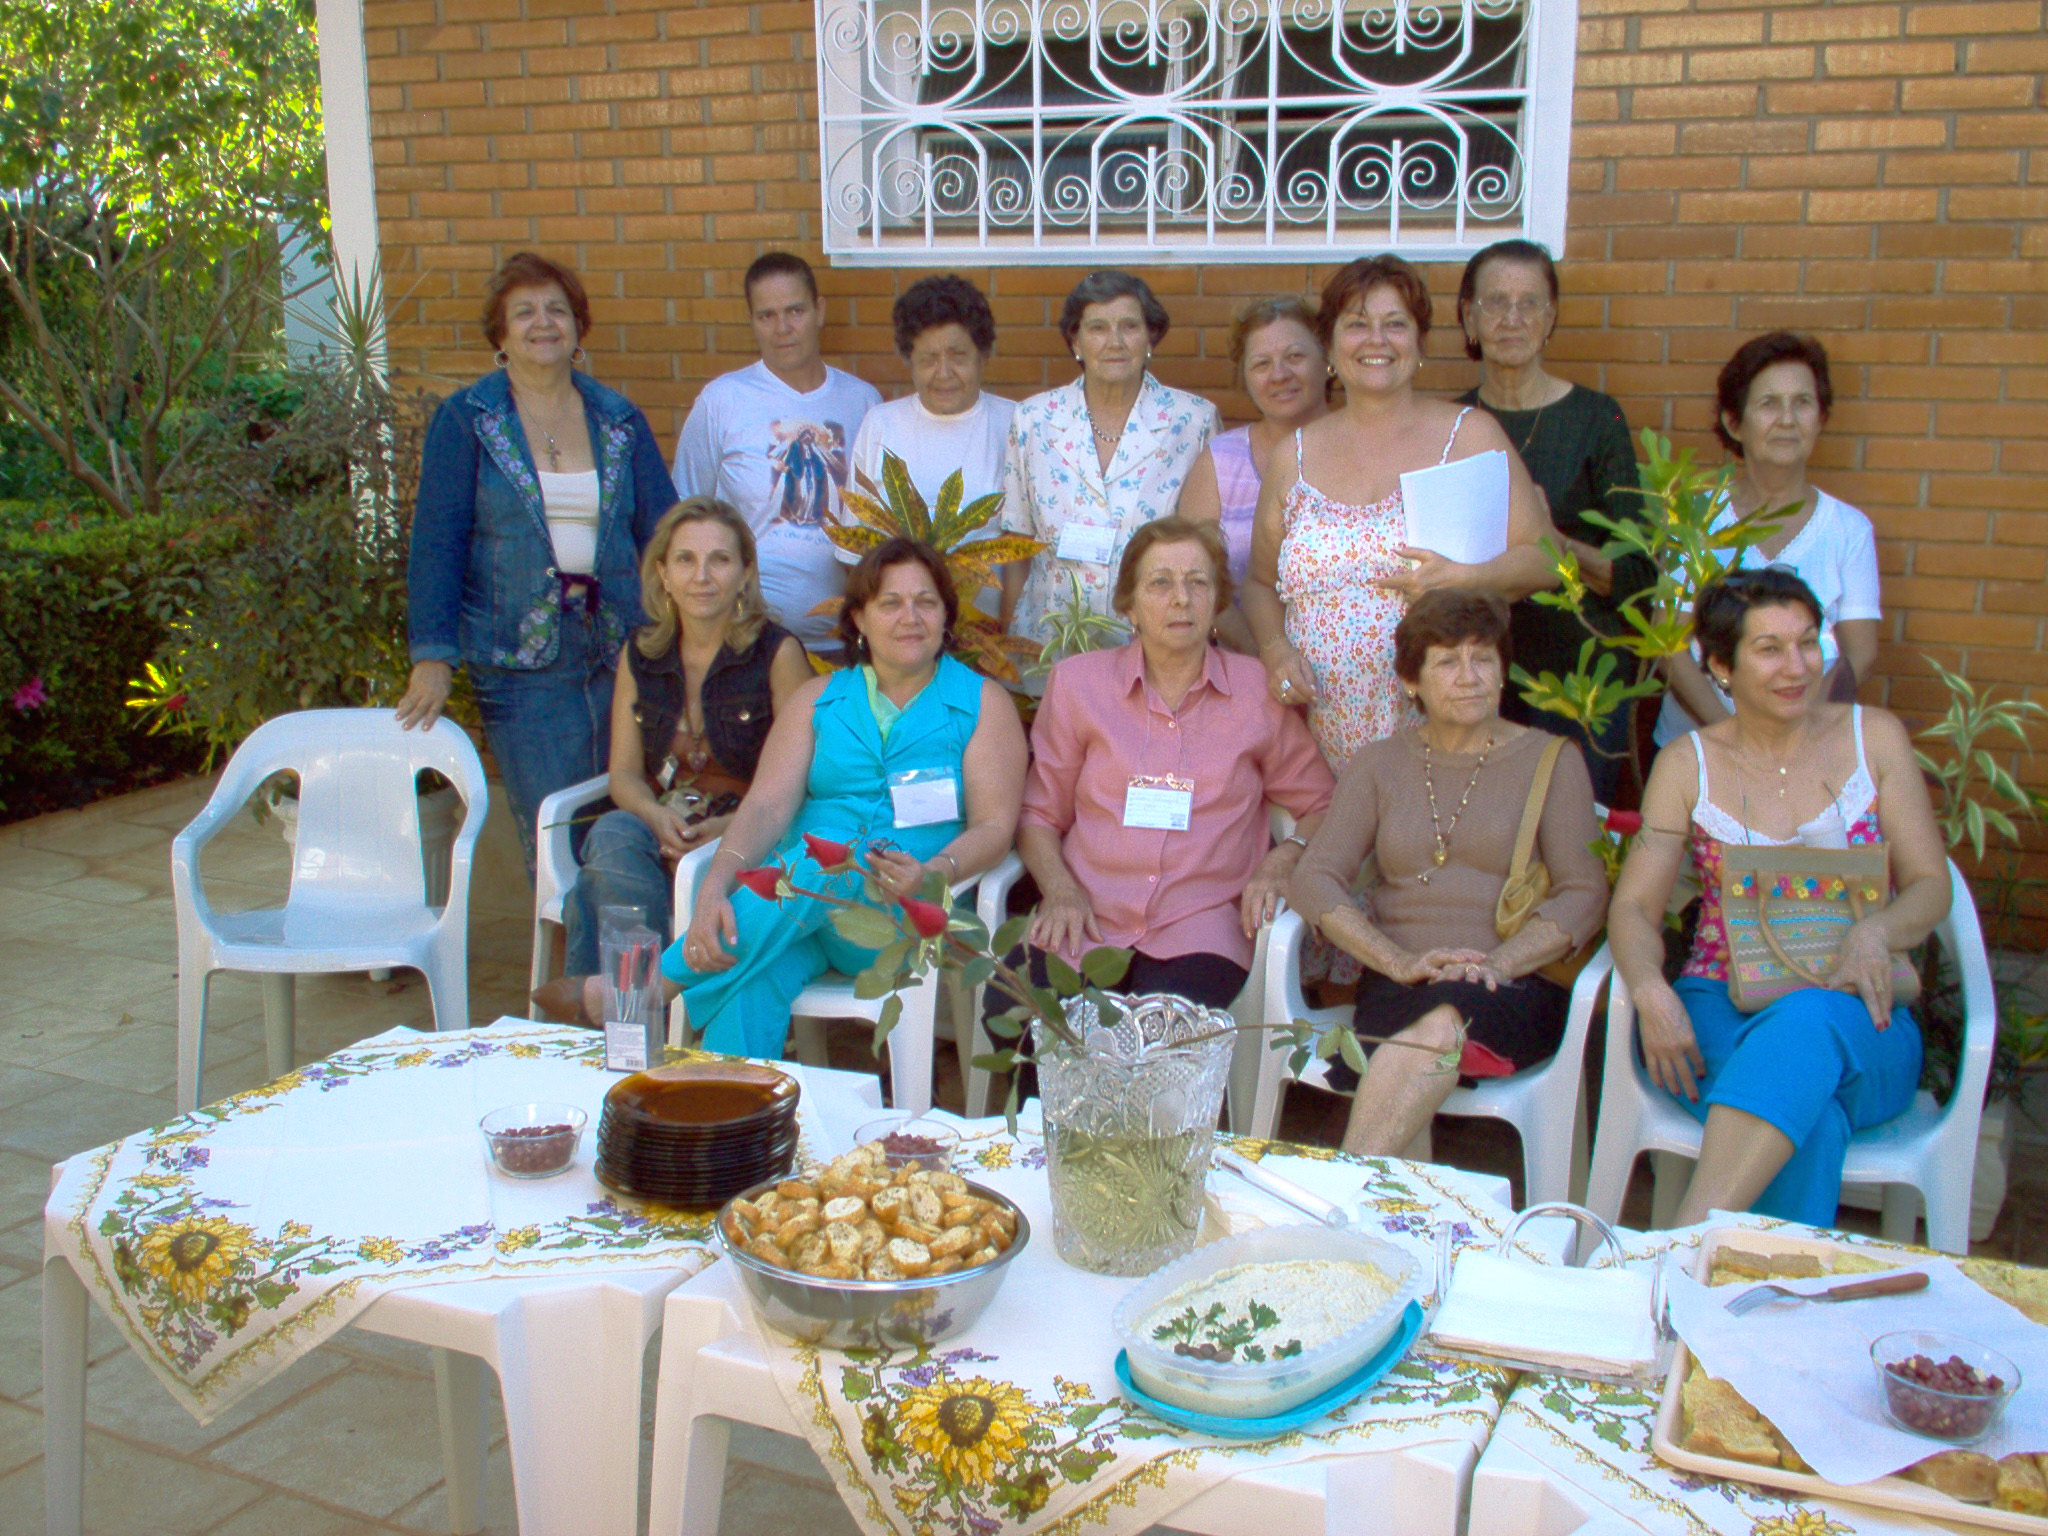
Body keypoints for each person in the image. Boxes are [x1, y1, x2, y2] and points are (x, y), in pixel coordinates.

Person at [1610, 568, 1946, 1226]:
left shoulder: (1872, 738)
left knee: (1809, 1020)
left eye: (1807, 642)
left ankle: (1667, 1257)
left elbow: (1932, 884)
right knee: (1808, 1120)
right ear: (1719, 667)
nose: (1796, 667)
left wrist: (1876, 932)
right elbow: (1633, 907)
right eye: (1769, 649)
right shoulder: (1687, 764)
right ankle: (1765, 1307)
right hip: (1720, 1006)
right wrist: (1650, 989)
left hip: (1863, 1012)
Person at [661, 538, 1028, 1059]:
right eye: (890, 603)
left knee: (838, 857)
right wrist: (713, 890)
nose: (911, 617)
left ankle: (658, 980)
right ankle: (732, 1128)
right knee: (745, 983)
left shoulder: (981, 702)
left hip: (906, 919)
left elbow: (996, 826)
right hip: (802, 919)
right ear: (858, 618)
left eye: (926, 602)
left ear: (946, 615)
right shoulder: (817, 699)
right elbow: (765, 806)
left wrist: (933, 872)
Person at [1290, 590, 1607, 1160]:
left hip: (1513, 984)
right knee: (1419, 1036)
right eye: (1446, 661)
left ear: (1504, 672)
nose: (1469, 676)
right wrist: (1397, 961)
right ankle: (1395, 1225)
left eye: (1482, 658)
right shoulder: (1380, 763)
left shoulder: (1551, 760)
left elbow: (1584, 892)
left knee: (1433, 1032)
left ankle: (1343, 1189)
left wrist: (1498, 964)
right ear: (1412, 680)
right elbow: (1314, 878)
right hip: (1400, 981)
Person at [400, 251, 678, 876]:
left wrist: (684, 634)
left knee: (629, 820)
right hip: (519, 664)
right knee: (557, 834)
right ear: (500, 333)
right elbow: (436, 542)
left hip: (621, 653)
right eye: (523, 312)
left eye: (556, 309)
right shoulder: (468, 421)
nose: (542, 323)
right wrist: (432, 657)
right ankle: (573, 966)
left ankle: (628, 962)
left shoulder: (618, 419)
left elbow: (663, 533)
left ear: (578, 327)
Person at [1241, 255, 1555, 770]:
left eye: (1395, 324)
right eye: (1357, 325)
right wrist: (1275, 651)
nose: (1376, 341)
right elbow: (1257, 581)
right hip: (1309, 735)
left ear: (1421, 343)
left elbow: (1545, 560)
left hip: (1434, 731)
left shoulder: (1468, 437)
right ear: (1330, 346)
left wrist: (1467, 577)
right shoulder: (1292, 455)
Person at [1018, 518, 1335, 1009]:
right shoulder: (1079, 685)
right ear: (1129, 605)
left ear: (1215, 602)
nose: (1181, 598)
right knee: (1057, 1046)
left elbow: (1321, 803)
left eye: (1197, 582)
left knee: (1165, 1048)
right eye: (1160, 583)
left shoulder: (1256, 693)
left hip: (1202, 929)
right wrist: (1059, 891)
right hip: (1087, 921)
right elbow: (1039, 814)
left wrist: (1283, 858)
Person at [538, 498, 811, 1003]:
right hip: (663, 827)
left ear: (745, 573)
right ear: (662, 572)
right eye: (685, 559)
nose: (701, 576)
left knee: (595, 890)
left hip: (746, 836)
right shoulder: (641, 655)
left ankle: (622, 1015)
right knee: (615, 831)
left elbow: (804, 782)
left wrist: (724, 828)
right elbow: (623, 774)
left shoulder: (778, 654)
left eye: (720, 560)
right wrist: (654, 816)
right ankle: (643, 1005)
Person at [1454, 240, 1646, 804]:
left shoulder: (1597, 420)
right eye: (1494, 303)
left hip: (1580, 678)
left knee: (1574, 836)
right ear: (1468, 316)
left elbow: (1636, 576)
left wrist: (1553, 541)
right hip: (1477, 674)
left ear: (1551, 317)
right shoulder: (1450, 424)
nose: (1511, 318)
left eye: (1529, 303)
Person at [1654, 331, 1881, 748]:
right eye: (1769, 404)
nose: (1788, 420)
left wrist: (1792, 738)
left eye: (1803, 403)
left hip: (1805, 752)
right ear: (1733, 422)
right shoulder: (1694, 520)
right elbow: (1668, 645)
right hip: (1698, 748)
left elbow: (1859, 654)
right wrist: (1735, 737)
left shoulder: (1849, 530)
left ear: (1821, 417)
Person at [999, 271, 1220, 681]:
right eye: (1097, 328)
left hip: (1154, 646)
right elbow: (1016, 542)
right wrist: (1013, 638)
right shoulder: (1033, 419)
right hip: (1049, 642)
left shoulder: (1192, 421)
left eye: (1129, 326)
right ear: (1075, 341)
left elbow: (1204, 548)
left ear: (1150, 337)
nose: (1114, 341)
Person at [672, 252, 881, 651]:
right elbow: (687, 512)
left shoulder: (863, 401)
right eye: (766, 315)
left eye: (795, 311)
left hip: (847, 642)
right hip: (747, 639)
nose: (782, 328)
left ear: (819, 311)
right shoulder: (723, 400)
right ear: (751, 320)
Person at [846, 275, 1015, 617]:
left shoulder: (1015, 424)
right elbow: (856, 552)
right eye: (928, 358)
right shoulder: (881, 424)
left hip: (987, 640)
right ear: (909, 360)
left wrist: (1004, 635)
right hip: (900, 634)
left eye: (958, 356)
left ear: (983, 354)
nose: (944, 372)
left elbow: (1023, 553)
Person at [1174, 296, 1330, 652]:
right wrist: (1265, 659)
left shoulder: (1363, 447)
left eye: (1295, 357)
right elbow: (1198, 580)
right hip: (1245, 673)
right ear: (1244, 377)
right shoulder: (1218, 463)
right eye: (1261, 364)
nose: (1279, 375)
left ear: (1327, 360)